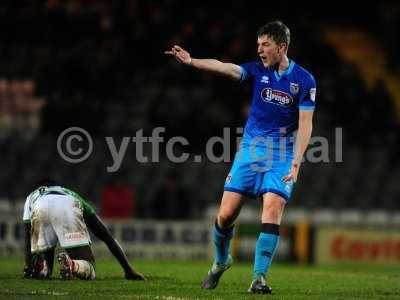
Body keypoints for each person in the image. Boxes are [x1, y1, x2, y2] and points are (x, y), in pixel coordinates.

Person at [166, 20, 316, 294]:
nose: (259, 50)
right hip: (250, 153)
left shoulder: (305, 80)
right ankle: (221, 262)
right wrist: (192, 61)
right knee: (225, 215)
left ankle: (259, 277)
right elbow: (225, 67)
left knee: (272, 209)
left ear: (281, 46)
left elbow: (306, 124)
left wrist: (297, 160)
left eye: (265, 45)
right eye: (258, 44)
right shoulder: (257, 71)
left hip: (282, 157)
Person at [22, 179, 145, 281]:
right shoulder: (70, 193)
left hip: (39, 207)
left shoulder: (32, 196)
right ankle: (72, 265)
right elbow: (106, 236)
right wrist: (128, 270)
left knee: (46, 270)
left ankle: (40, 267)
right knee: (89, 266)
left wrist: (28, 263)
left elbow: (27, 234)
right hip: (67, 204)